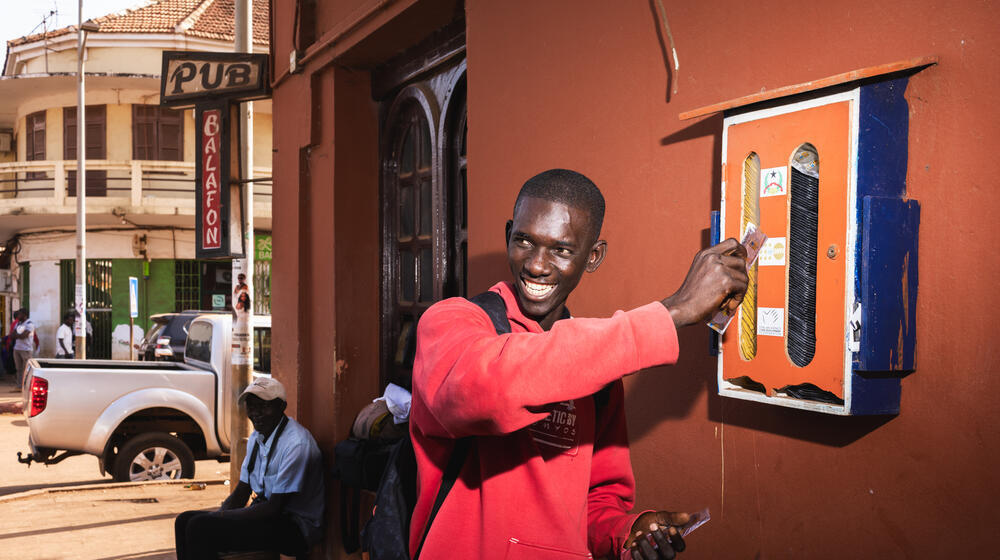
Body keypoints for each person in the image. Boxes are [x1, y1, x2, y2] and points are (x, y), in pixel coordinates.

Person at [409, 169, 749, 560]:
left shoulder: (599, 368)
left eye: (561, 250)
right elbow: (488, 390)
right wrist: (672, 312)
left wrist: (628, 531)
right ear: (508, 235)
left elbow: (595, 503)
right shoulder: (452, 322)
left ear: (593, 256)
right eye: (524, 240)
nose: (536, 265)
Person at [174, 377, 324, 559]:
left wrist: (220, 519)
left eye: (264, 406)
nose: (256, 413)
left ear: (281, 407)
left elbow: (274, 508)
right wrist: (220, 514)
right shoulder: (257, 437)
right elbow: (242, 491)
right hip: (269, 516)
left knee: (200, 527)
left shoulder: (296, 444)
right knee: (184, 520)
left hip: (296, 527)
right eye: (251, 406)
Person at [12, 308, 37, 389]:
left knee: (26, 369)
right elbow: (12, 335)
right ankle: (19, 386)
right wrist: (18, 335)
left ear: (24, 315)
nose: (18, 316)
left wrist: (17, 335)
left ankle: (27, 386)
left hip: (26, 350)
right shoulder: (18, 324)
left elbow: (24, 336)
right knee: (18, 369)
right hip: (17, 348)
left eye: (19, 314)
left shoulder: (29, 324)